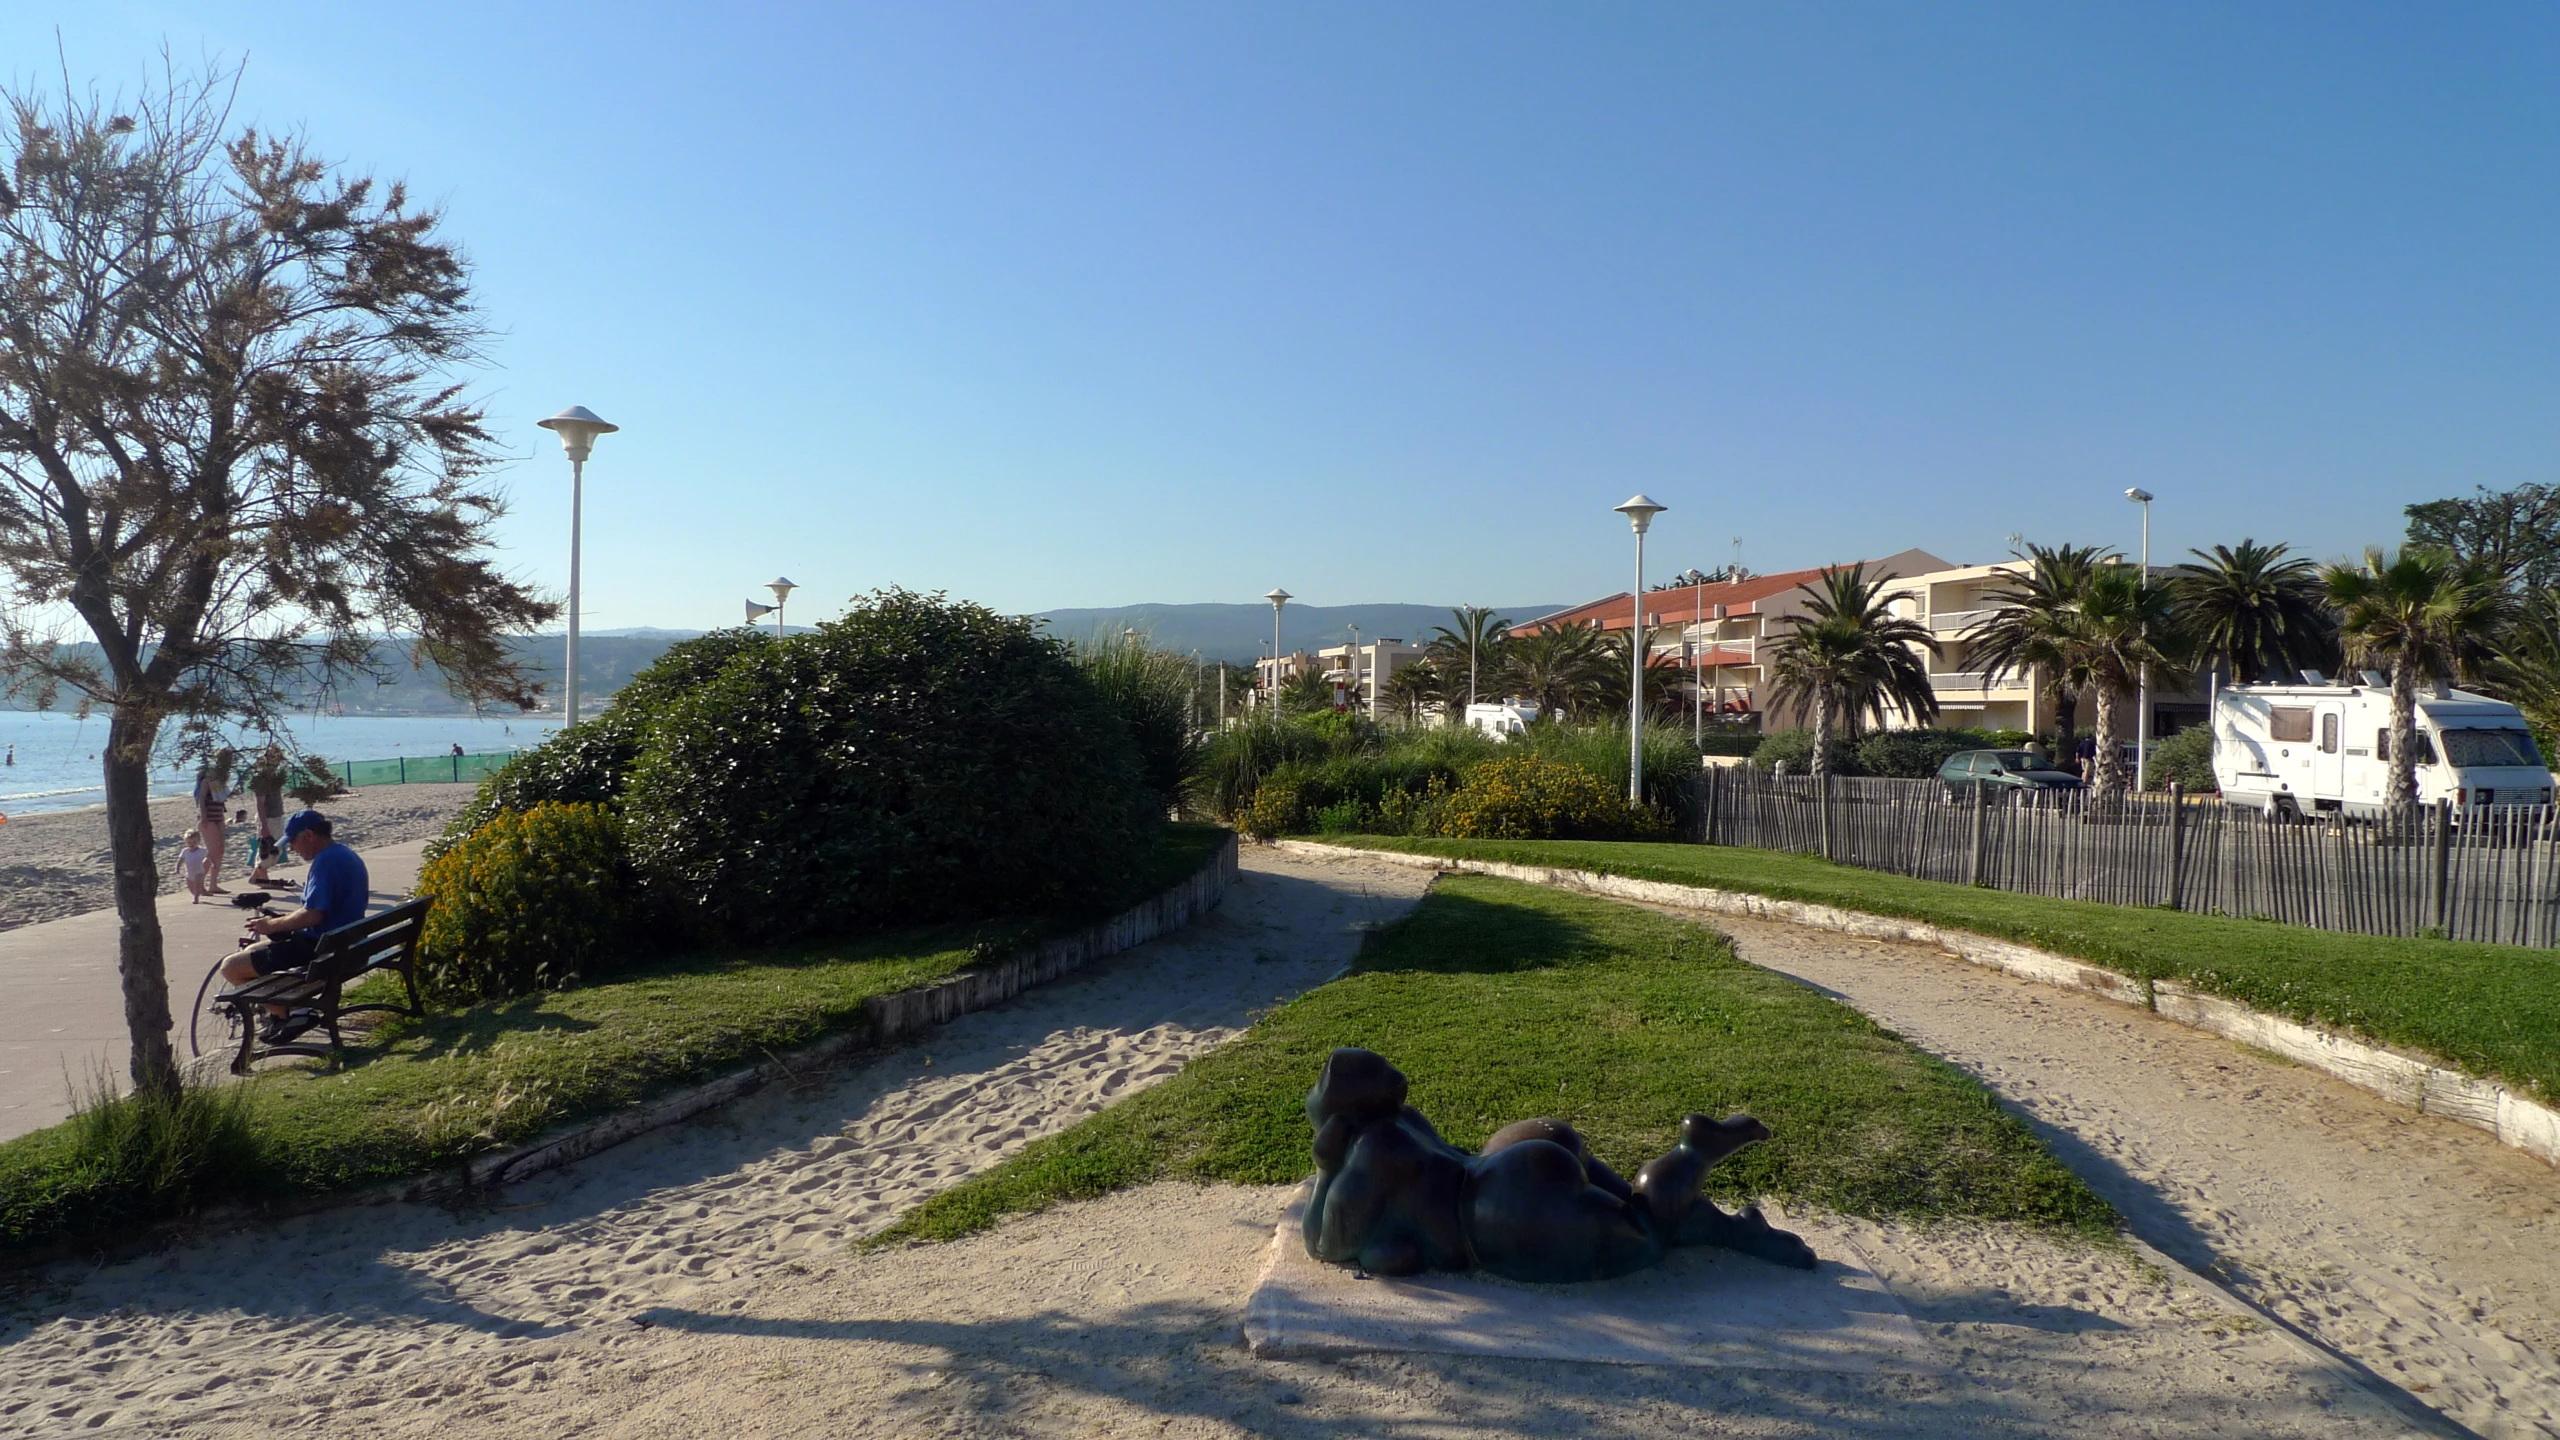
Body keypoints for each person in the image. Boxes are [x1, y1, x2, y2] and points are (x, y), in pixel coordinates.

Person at [220, 811, 370, 1044]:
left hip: (321, 950)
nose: (292, 848)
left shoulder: (325, 862)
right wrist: (284, 921)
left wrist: (271, 924)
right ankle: (285, 1016)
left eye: (293, 841)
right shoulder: (344, 854)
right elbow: (324, 909)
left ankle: (293, 1014)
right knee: (252, 953)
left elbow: (313, 915)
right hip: (346, 946)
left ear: (309, 835)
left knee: (231, 967)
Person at [247, 747, 289, 884]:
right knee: (268, 847)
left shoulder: (274, 778)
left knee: (275, 848)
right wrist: (264, 825)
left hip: (276, 815)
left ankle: (256, 877)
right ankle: (262, 877)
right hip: (268, 817)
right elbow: (260, 803)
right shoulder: (262, 779)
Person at [191, 763, 232, 895]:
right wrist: (203, 817)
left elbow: (223, 797)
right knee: (213, 852)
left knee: (220, 851)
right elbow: (202, 799)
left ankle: (213, 884)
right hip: (208, 817)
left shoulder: (220, 782)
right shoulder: (206, 781)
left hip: (218, 816)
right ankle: (199, 884)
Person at [179, 831, 208, 903]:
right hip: (189, 873)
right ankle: (196, 893)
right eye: (189, 842)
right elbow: (181, 859)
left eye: (194, 842)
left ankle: (196, 898)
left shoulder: (202, 850)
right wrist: (178, 867)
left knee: (197, 884)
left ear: (198, 841)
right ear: (186, 842)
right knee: (191, 887)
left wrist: (213, 863)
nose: (192, 844)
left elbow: (209, 856)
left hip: (199, 871)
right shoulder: (185, 851)